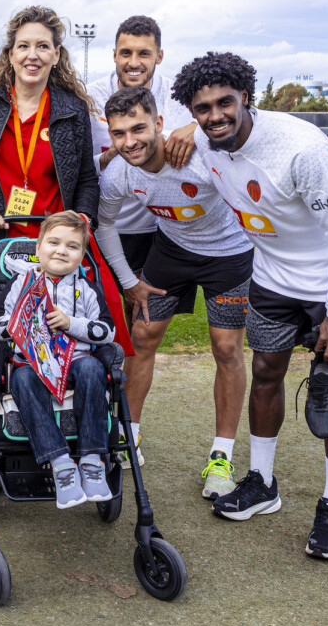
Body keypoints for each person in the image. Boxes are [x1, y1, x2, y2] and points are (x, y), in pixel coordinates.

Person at [175, 52, 328, 561]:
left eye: (226, 102)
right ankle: (262, 481)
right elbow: (168, 143)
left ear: (247, 98)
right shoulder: (202, 136)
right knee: (265, 372)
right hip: (270, 280)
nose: (215, 114)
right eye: (203, 108)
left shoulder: (299, 145)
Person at [93, 86, 254, 500]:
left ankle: (221, 456)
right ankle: (130, 437)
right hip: (172, 251)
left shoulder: (202, 155)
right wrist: (129, 281)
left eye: (139, 128)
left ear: (159, 123)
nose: (130, 142)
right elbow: (104, 226)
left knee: (226, 349)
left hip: (230, 256)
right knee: (141, 337)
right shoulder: (118, 173)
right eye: (119, 133)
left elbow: (253, 131)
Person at [0, 5, 100, 287]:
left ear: (56, 54)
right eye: (23, 46)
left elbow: (86, 178)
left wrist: (83, 219)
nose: (32, 55)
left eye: (43, 46)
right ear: (11, 54)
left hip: (54, 251)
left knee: (51, 329)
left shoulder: (73, 108)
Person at [86, 16, 199, 357]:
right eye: (126, 53)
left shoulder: (179, 98)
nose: (134, 62)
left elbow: (225, 125)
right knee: (100, 329)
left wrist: (196, 127)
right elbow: (75, 161)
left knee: (142, 334)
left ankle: (128, 411)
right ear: (114, 55)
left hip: (159, 230)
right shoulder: (89, 97)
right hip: (107, 226)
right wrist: (107, 158)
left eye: (144, 53)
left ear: (159, 56)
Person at [0, 212, 115, 509]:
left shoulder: (87, 289)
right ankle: (61, 464)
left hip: (74, 363)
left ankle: (91, 459)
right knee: (21, 377)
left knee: (91, 367)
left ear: (82, 255)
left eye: (72, 246)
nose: (61, 250)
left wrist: (71, 323)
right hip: (33, 364)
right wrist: (23, 322)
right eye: (54, 242)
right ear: (38, 248)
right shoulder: (21, 283)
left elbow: (106, 331)